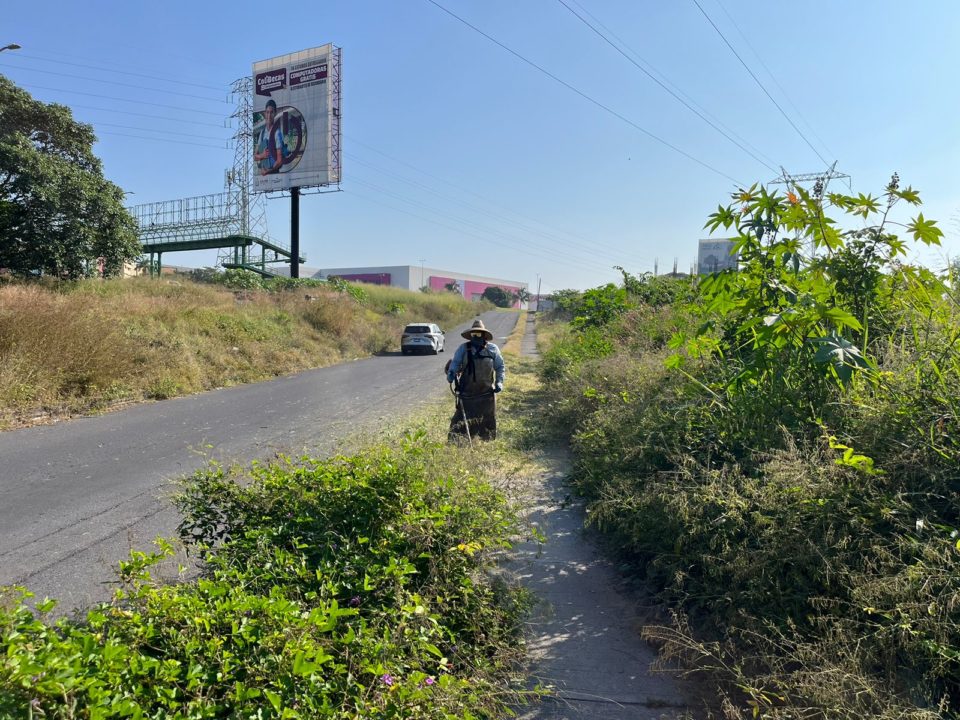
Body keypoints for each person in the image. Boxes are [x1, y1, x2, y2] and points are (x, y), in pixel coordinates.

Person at [446, 319, 505, 441]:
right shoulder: (463, 349)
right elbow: (455, 363)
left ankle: (486, 442)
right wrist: (451, 374)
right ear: (470, 336)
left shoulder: (493, 349)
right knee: (460, 422)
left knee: (487, 420)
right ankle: (457, 442)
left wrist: (499, 382)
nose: (476, 337)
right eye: (474, 334)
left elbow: (500, 367)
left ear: (484, 335)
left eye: (479, 334)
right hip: (467, 395)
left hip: (486, 395)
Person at [253, 99, 285, 175]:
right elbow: (255, 156)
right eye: (267, 112)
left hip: (274, 175)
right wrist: (262, 155)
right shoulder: (262, 133)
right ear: (265, 113)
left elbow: (279, 161)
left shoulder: (277, 133)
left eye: (271, 112)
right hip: (263, 178)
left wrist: (267, 171)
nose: (269, 116)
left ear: (275, 113)